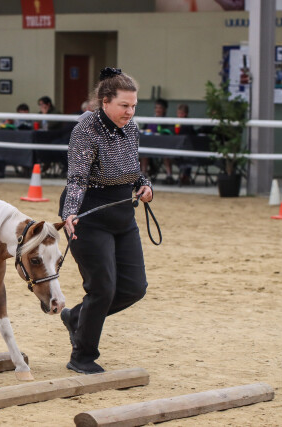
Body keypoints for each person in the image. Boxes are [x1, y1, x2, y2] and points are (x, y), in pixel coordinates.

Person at [59, 67, 152, 375]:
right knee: (102, 288)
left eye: (133, 105)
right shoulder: (85, 129)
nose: (130, 112)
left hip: (122, 213)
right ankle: (82, 356)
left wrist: (144, 184)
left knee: (134, 288)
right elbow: (77, 178)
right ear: (105, 101)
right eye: (124, 105)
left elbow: (133, 167)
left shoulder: (131, 128)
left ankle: (76, 318)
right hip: (89, 215)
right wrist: (70, 213)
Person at [141, 98, 175, 184]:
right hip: (150, 144)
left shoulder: (168, 121)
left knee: (166, 152)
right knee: (144, 150)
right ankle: (143, 174)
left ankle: (169, 175)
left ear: (164, 110)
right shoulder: (150, 119)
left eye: (160, 108)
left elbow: (170, 133)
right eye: (156, 108)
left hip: (162, 145)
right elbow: (143, 129)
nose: (158, 110)